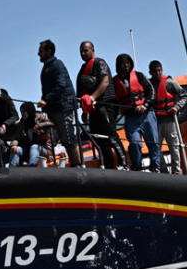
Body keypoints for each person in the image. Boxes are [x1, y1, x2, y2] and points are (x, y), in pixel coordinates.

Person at [76, 41, 124, 169]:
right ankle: (108, 166)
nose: (83, 53)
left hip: (105, 105)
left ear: (92, 50)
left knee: (111, 135)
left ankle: (123, 163)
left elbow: (105, 81)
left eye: (86, 50)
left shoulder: (99, 63)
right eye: (81, 51)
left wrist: (93, 97)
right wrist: (85, 112)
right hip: (93, 109)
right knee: (100, 139)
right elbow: (82, 93)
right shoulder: (82, 70)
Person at [112, 53, 161, 172]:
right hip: (130, 118)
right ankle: (136, 168)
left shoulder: (139, 76)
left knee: (153, 142)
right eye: (123, 63)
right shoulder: (114, 82)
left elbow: (151, 92)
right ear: (118, 65)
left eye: (128, 62)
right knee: (134, 143)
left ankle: (156, 168)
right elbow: (112, 100)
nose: (126, 65)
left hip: (147, 114)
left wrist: (145, 105)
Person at [37, 39, 81, 167]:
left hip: (63, 106)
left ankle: (77, 165)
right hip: (55, 108)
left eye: (41, 51)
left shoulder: (57, 65)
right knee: (63, 137)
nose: (38, 54)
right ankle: (75, 164)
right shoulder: (47, 67)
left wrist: (46, 100)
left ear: (49, 51)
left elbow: (61, 85)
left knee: (68, 137)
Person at [149, 60, 187, 175]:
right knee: (156, 148)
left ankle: (176, 172)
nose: (158, 73)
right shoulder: (149, 85)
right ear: (150, 72)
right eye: (155, 71)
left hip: (170, 120)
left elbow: (184, 96)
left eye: (159, 70)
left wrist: (176, 107)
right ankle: (164, 171)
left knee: (174, 147)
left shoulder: (169, 82)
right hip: (156, 121)